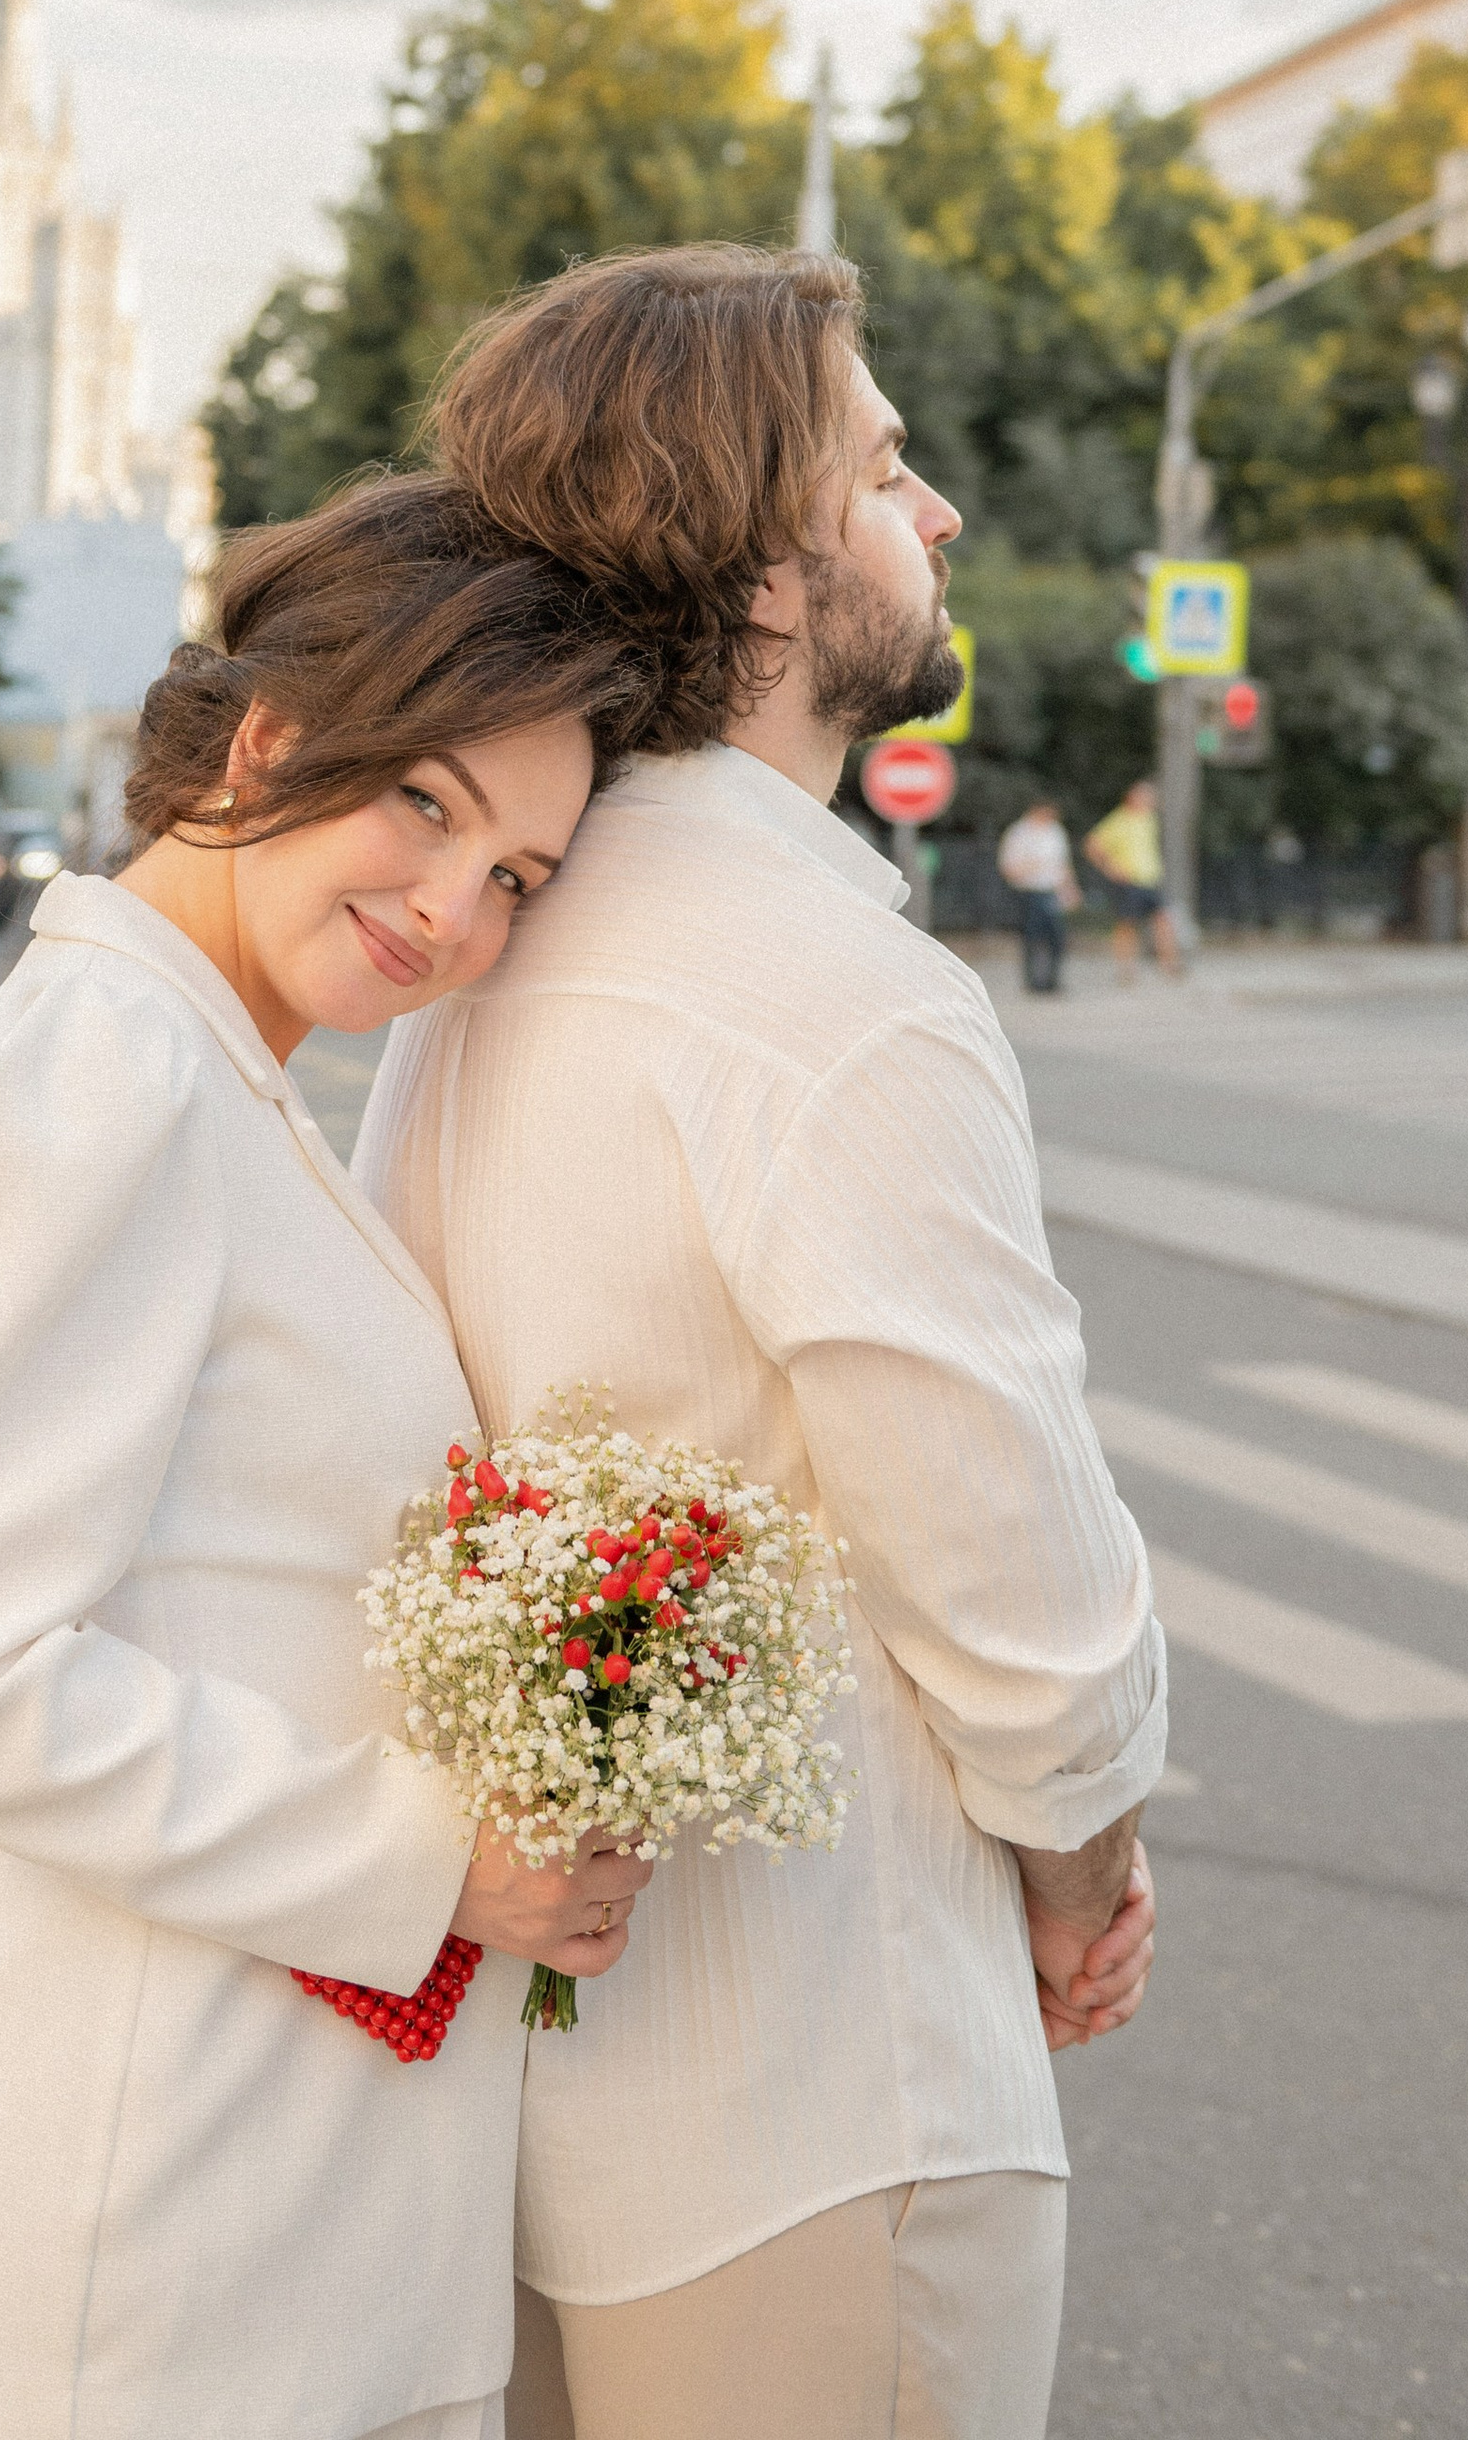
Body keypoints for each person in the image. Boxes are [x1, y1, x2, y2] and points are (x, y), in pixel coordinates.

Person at [359, 245, 1165, 2440]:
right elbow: (1005, 1573)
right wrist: (1083, 1872)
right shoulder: (834, 998)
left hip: (535, 2099)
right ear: (771, 577)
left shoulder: (478, 971)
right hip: (831, 2096)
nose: (939, 516)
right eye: (885, 467)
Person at [0, 474, 655, 2440]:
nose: (453, 908)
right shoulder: (84, 1074)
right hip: (104, 2233)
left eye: (515, 873)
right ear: (268, 736)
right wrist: (446, 1856)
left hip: (239, 2203)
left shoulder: (213, 1084)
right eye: (423, 804)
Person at [1084, 776, 1182, 979]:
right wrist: (1110, 868)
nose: (1150, 800)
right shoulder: (1119, 820)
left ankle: (1170, 965)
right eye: (1145, 796)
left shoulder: (1149, 819)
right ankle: (1126, 969)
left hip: (1151, 880)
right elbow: (1092, 844)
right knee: (1126, 925)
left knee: (1163, 921)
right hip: (1130, 882)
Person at [996, 795, 1077, 993]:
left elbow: (1063, 863)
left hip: (1051, 890)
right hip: (1029, 891)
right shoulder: (1019, 833)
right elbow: (1008, 867)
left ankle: (1052, 980)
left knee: (1056, 936)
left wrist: (1070, 888)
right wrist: (1032, 866)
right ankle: (1033, 981)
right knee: (1032, 937)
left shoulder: (1055, 832)